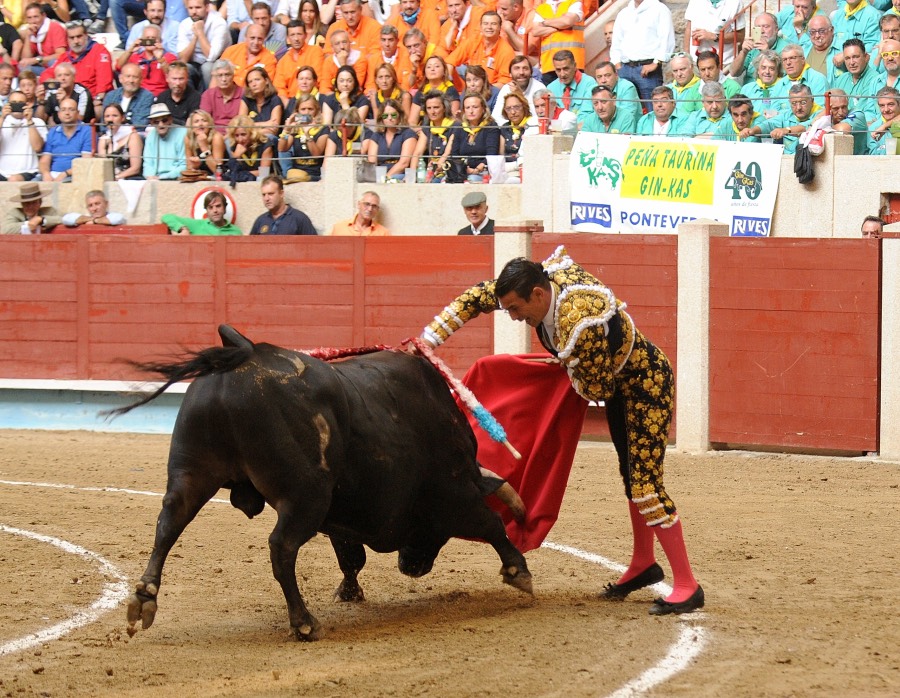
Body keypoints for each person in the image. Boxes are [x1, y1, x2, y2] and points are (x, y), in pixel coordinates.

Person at [419, 247, 704, 615]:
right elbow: (475, 298)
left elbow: (596, 390)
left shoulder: (578, 323)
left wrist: (562, 369)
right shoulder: (527, 284)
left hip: (645, 386)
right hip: (621, 386)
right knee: (631, 477)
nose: (513, 316)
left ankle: (687, 585)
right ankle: (643, 564)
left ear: (538, 295)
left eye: (516, 310)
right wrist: (427, 340)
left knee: (646, 486)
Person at [609, 0, 674, 106]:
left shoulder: (660, 9)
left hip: (648, 71)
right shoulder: (624, 13)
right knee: (626, 111)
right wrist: (618, 65)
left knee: (654, 111)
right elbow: (617, 42)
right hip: (625, 69)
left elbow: (666, 39)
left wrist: (656, 62)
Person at [43, 19, 113, 110]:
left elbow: (104, 84)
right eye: (72, 38)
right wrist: (53, 84)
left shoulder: (99, 51)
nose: (76, 41)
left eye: (79, 36)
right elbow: (46, 75)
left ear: (86, 36)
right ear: (67, 40)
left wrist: (97, 99)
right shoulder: (65, 56)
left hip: (91, 101)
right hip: (68, 102)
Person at [744, 83, 820, 154]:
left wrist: (786, 130)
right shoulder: (787, 115)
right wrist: (752, 131)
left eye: (803, 102)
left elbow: (806, 127)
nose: (798, 107)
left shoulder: (820, 114)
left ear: (812, 101)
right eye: (794, 103)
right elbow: (768, 124)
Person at [446, 11, 516, 87]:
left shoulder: (506, 51)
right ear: (480, 26)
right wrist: (448, 82)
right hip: (472, 86)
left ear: (500, 27)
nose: (489, 27)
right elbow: (450, 61)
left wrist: (483, 90)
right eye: (486, 24)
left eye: (493, 24)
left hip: (492, 92)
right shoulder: (474, 40)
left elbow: (504, 83)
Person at [176, 0, 231, 89]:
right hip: (194, 62)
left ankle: (209, 100)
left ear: (207, 7)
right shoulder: (184, 24)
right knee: (184, 68)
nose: (194, 12)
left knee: (207, 68)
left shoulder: (219, 23)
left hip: (217, 62)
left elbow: (211, 57)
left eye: (198, 8)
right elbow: (183, 59)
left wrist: (200, 32)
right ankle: (191, 101)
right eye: (191, 8)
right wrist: (195, 37)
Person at [529, 0, 585, 84]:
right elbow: (535, 31)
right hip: (549, 65)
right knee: (551, 96)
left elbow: (567, 21)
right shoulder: (541, 8)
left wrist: (545, 22)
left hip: (572, 64)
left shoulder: (574, 3)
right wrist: (560, 27)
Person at [361, 97, 417, 180]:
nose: (389, 118)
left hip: (400, 175)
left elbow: (404, 163)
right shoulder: (376, 136)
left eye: (393, 115)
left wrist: (386, 177)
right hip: (379, 174)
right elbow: (372, 162)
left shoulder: (408, 134)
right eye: (385, 116)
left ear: (399, 116)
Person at [450, 90, 500, 182]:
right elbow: (454, 154)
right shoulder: (460, 127)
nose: (471, 111)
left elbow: (491, 154)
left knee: (471, 179)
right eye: (467, 108)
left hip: (484, 172)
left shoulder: (491, 127)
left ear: (483, 108)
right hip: (462, 171)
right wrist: (463, 168)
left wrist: (476, 170)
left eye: (475, 107)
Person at [117, 23, 178, 97]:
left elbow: (174, 76)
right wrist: (130, 50)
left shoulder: (169, 57)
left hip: (161, 96)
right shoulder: (135, 56)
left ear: (160, 41)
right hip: (138, 95)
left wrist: (160, 59)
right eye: (147, 38)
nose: (149, 41)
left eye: (153, 38)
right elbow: (118, 67)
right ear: (142, 40)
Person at [39, 96, 92, 182]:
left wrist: (65, 173)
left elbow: (86, 162)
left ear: (78, 113)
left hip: (75, 175)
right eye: (63, 110)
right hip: (52, 174)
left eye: (71, 109)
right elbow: (45, 160)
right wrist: (46, 174)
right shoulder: (53, 132)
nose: (67, 113)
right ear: (59, 114)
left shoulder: (87, 131)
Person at [278, 91, 328, 182]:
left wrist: (307, 134)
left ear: (316, 110)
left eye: (310, 109)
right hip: (297, 173)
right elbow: (282, 149)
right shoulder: (295, 128)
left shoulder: (323, 129)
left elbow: (316, 155)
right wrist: (286, 130)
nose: (307, 112)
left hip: (315, 175)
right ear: (297, 111)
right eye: (303, 109)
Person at [832, 38, 882, 124]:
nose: (851, 62)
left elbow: (862, 114)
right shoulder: (841, 79)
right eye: (847, 58)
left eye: (855, 57)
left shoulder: (875, 79)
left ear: (866, 57)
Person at [0, 91, 47, 181]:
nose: (17, 106)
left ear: (27, 104)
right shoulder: (1, 122)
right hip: (2, 172)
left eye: (20, 103)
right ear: (7, 104)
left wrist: (29, 121)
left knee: (14, 180)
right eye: (13, 103)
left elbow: (37, 147)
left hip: (28, 172)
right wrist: (2, 118)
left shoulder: (37, 122)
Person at [249, 174, 317, 235]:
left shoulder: (299, 218)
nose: (266, 198)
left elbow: (315, 245)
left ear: (281, 193)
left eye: (271, 194)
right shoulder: (260, 220)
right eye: (264, 195)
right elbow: (250, 247)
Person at [729, 12, 788, 82]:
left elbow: (784, 78)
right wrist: (743, 52)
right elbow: (733, 73)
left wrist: (766, 53)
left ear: (776, 29)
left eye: (766, 27)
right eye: (758, 28)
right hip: (749, 89)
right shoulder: (753, 46)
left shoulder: (786, 49)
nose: (762, 31)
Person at [684, 0, 745, 67]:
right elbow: (689, 29)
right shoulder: (695, 1)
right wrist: (687, 56)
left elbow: (740, 36)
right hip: (696, 61)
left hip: (723, 62)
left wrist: (715, 37)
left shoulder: (735, 3)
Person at [413, 89, 457, 181]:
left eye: (436, 107)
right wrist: (412, 175)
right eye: (429, 108)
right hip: (431, 172)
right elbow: (417, 153)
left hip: (448, 172)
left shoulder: (455, 126)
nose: (432, 111)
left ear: (444, 108)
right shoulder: (427, 127)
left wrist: (434, 170)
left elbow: (447, 153)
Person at [770, 43, 828, 113]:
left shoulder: (818, 79)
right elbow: (773, 113)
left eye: (792, 58)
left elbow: (820, 111)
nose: (788, 63)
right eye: (784, 60)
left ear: (803, 60)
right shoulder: (779, 86)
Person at [274, 20, 324, 100]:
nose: (296, 38)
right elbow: (279, 88)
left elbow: (319, 80)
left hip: (312, 99)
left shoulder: (315, 52)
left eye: (299, 34)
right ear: (288, 38)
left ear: (305, 35)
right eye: (292, 35)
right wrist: (288, 106)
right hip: (290, 102)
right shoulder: (283, 61)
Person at [162, 188, 243, 235]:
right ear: (206, 211)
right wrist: (183, 228)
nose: (215, 210)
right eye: (210, 207)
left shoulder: (236, 232)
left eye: (218, 206)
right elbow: (166, 217)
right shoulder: (197, 225)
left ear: (225, 208)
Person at [18, 2, 67, 76]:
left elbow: (61, 55)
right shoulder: (32, 30)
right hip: (43, 67)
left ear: (43, 15)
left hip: (58, 67)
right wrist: (28, 36)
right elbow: (25, 58)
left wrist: (36, 60)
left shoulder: (55, 27)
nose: (33, 21)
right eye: (29, 18)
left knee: (53, 62)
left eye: (36, 17)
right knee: (22, 66)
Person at [97, 102, 144, 179]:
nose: (110, 119)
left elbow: (136, 168)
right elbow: (103, 165)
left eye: (115, 116)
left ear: (122, 118)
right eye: (107, 116)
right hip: (109, 178)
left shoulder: (132, 136)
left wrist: (117, 177)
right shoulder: (103, 139)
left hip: (130, 179)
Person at [408, 54, 459, 124]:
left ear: (444, 70)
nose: (432, 69)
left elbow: (453, 118)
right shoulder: (421, 91)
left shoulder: (451, 90)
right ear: (425, 72)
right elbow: (412, 121)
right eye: (429, 67)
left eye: (437, 66)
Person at [546, 49, 597, 119]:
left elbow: (588, 116)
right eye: (558, 70)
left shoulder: (589, 83)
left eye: (566, 69)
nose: (562, 74)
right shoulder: (551, 88)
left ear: (575, 66)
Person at [492, 54, 543, 123]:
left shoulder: (539, 88)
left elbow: (540, 116)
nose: (521, 72)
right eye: (517, 68)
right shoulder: (506, 88)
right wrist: (509, 129)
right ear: (510, 74)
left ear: (531, 72)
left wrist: (520, 96)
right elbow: (496, 116)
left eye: (525, 68)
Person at [143, 101, 188, 178]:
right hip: (154, 178)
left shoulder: (183, 133)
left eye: (164, 120)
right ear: (151, 123)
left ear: (170, 119)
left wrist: (163, 177)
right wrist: (150, 176)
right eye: (156, 122)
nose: (161, 124)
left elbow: (184, 164)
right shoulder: (151, 135)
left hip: (177, 178)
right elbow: (147, 163)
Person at [102, 62, 155, 127]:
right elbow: (103, 124)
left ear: (141, 80)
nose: (131, 80)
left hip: (136, 134)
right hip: (111, 133)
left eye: (135, 77)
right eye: (128, 76)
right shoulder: (110, 96)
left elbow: (140, 124)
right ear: (120, 78)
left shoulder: (147, 96)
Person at [200, 58, 245, 133]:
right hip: (213, 135)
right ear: (215, 77)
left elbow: (243, 123)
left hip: (236, 134)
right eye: (220, 75)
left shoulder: (243, 94)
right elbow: (205, 121)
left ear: (233, 75)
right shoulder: (208, 95)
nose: (223, 79)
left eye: (227, 75)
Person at [224, 114, 273, 181]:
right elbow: (232, 172)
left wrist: (242, 174)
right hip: (243, 179)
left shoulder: (265, 143)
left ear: (251, 133)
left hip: (262, 179)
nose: (240, 139)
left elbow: (264, 173)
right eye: (236, 135)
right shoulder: (234, 145)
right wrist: (236, 156)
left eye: (243, 134)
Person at [593, 61, 640, 128]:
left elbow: (627, 117)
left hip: (626, 130)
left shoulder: (627, 87)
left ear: (616, 75)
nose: (603, 80)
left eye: (607, 75)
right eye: (599, 77)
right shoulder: (594, 90)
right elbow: (588, 115)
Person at [155, 60, 202, 125]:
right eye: (174, 79)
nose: (177, 83)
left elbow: (192, 125)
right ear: (167, 78)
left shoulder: (195, 98)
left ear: (187, 78)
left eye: (181, 79)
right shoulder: (162, 97)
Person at [740, 49, 782, 119]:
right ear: (758, 70)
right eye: (763, 68)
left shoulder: (783, 88)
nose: (767, 72)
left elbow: (787, 112)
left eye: (771, 68)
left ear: (777, 71)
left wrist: (774, 113)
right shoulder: (746, 88)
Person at [184, 108, 226, 176]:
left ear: (209, 124)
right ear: (191, 126)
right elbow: (189, 167)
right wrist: (195, 166)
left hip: (218, 177)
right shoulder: (188, 138)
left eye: (204, 120)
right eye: (196, 121)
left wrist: (204, 148)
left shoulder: (217, 137)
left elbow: (219, 172)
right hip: (201, 175)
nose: (200, 124)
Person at [827, 89, 869, 155]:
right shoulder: (822, 116)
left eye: (844, 107)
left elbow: (842, 130)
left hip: (859, 162)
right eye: (835, 109)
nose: (840, 112)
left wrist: (822, 129)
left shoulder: (858, 114)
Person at [803, 15, 842, 84]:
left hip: (831, 93)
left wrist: (846, 55)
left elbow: (865, 56)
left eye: (821, 31)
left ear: (832, 30)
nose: (817, 36)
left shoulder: (843, 47)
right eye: (813, 32)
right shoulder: (804, 49)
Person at [62, 190, 126, 227]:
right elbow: (66, 219)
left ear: (106, 204)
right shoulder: (85, 218)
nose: (94, 208)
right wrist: (92, 219)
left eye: (97, 204)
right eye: (90, 205)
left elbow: (117, 219)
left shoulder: (113, 216)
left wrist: (94, 221)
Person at [667, 52, 701, 118]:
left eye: (682, 69)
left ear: (691, 67)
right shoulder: (666, 90)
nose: (679, 74)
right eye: (675, 71)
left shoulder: (701, 88)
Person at [867, 85, 900, 154]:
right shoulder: (873, 128)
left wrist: (885, 126)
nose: (886, 110)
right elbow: (873, 155)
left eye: (890, 104)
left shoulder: (880, 127)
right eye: (882, 105)